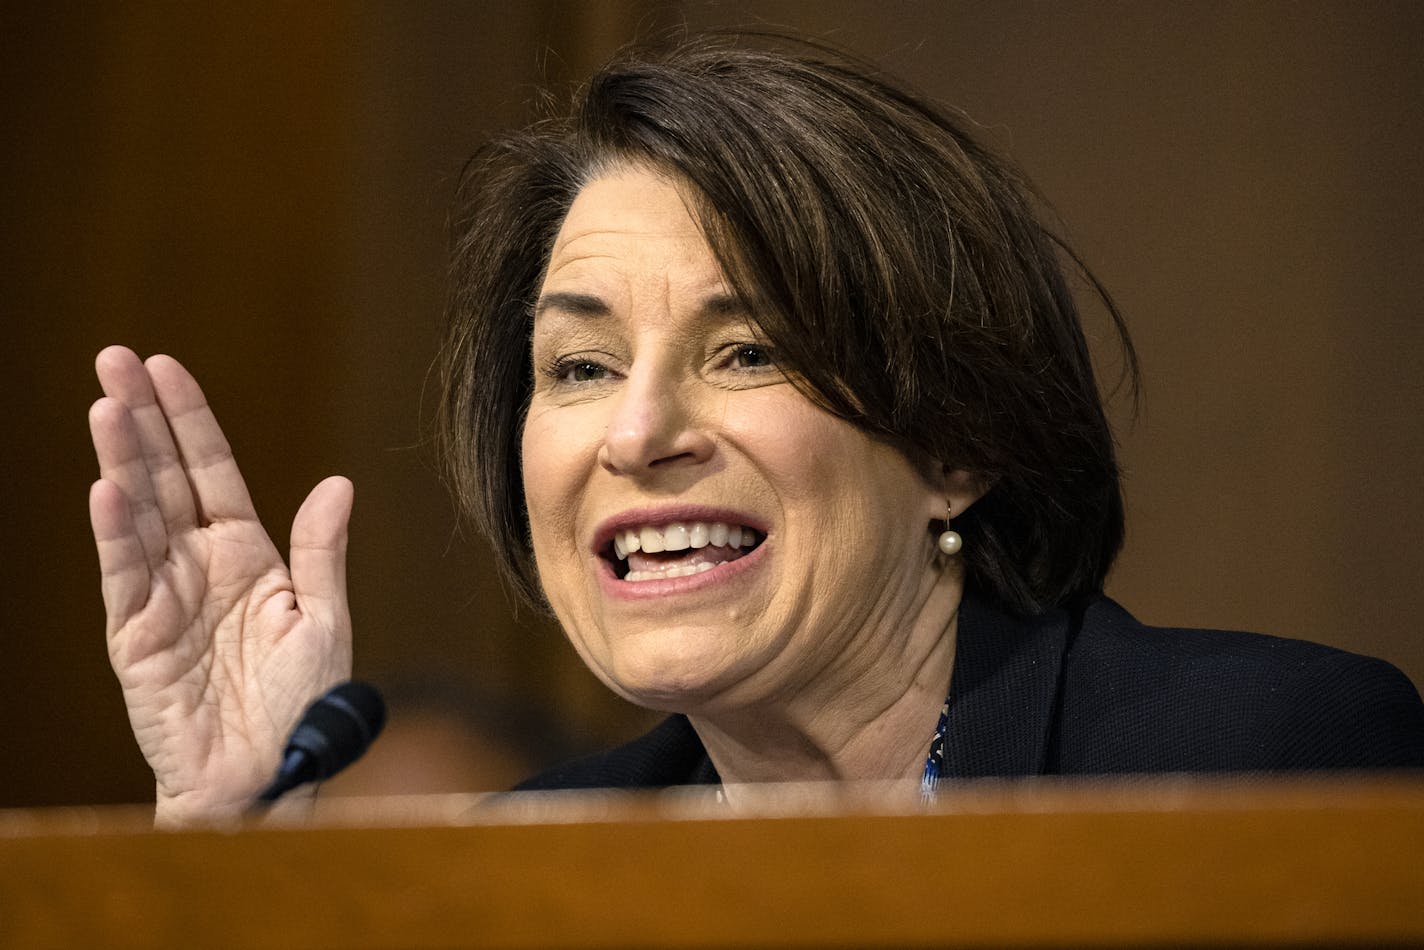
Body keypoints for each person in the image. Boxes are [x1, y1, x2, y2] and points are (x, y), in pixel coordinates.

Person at [88, 33, 1424, 824]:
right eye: (582, 365)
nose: (642, 431)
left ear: (953, 441)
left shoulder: (1262, 756)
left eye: (747, 349)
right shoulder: (547, 851)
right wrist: (224, 853)